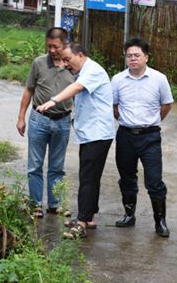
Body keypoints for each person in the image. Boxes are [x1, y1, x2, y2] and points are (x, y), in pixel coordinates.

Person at [37, 42, 115, 239]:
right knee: (90, 177)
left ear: (80, 55)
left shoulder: (93, 71)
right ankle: (88, 218)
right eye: (63, 60)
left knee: (88, 178)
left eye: (67, 59)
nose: (65, 64)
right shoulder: (86, 70)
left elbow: (77, 87)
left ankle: (81, 223)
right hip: (92, 134)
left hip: (97, 134)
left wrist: (53, 101)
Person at [111, 37, 174, 237]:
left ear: (146, 57)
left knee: (154, 180)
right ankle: (129, 215)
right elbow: (114, 106)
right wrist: (126, 122)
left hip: (150, 137)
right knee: (127, 177)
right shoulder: (118, 79)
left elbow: (166, 105)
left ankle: (160, 221)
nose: (132, 59)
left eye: (137, 55)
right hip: (126, 135)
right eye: (129, 55)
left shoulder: (159, 79)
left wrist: (152, 121)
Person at [16, 27, 74, 218]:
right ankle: (35, 204)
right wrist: (21, 118)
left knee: (57, 166)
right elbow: (29, 90)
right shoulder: (38, 63)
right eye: (48, 45)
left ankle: (55, 204)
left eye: (55, 46)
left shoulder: (72, 66)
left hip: (63, 121)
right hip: (39, 120)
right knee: (35, 165)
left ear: (65, 44)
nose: (51, 50)